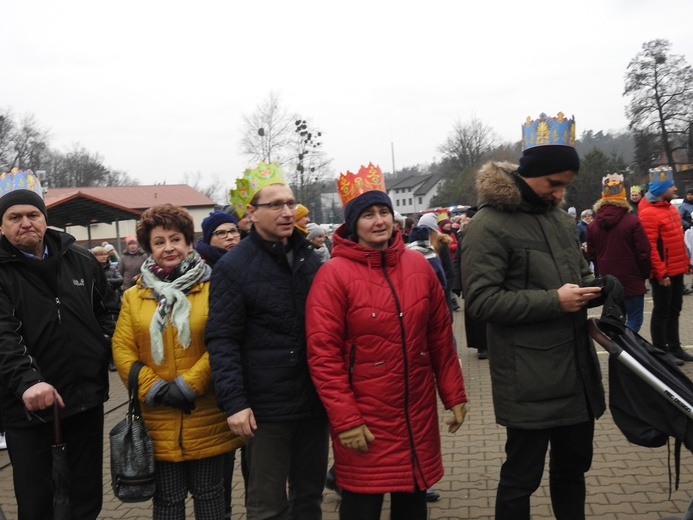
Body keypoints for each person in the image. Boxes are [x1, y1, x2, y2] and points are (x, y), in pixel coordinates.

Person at [461, 113, 606, 520]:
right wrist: (553, 302)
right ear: (529, 176)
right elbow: (481, 302)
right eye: (553, 184)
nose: (560, 194)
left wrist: (599, 289)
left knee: (572, 471)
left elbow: (577, 279)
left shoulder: (560, 222)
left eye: (566, 186)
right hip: (528, 379)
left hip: (575, 373)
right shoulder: (487, 226)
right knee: (521, 479)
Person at [306, 163, 467, 520]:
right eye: (367, 215)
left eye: (384, 212)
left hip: (417, 414)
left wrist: (453, 394)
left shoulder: (417, 266)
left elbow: (440, 336)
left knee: (412, 505)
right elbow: (323, 356)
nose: (378, 221)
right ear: (352, 224)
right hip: (366, 419)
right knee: (362, 506)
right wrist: (346, 419)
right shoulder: (333, 274)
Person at [206, 162, 328, 520]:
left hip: (313, 401)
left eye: (290, 203)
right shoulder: (234, 266)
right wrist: (235, 403)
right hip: (266, 410)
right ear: (251, 213)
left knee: (309, 498)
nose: (287, 211)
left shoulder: (310, 258)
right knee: (267, 505)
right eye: (275, 204)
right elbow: (222, 338)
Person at [0, 169, 119, 520]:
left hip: (85, 399)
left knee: (85, 498)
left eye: (33, 215)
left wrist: (102, 347)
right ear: (2, 226)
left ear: (44, 219)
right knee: (37, 501)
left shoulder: (80, 259)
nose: (26, 223)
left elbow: (109, 310)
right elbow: (3, 334)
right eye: (14, 217)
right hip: (29, 408)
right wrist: (29, 382)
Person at [112, 203, 242, 520]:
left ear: (188, 242)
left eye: (175, 239)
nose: (168, 248)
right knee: (168, 501)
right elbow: (122, 348)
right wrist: (153, 386)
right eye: (159, 242)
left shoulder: (214, 286)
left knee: (211, 498)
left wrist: (188, 385)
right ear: (149, 248)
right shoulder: (134, 295)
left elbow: (225, 341)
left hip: (207, 411)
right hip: (157, 416)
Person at [193, 209, 244, 519]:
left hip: (247, 375)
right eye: (222, 233)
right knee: (219, 467)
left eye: (234, 231)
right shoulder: (200, 271)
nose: (230, 237)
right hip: (213, 378)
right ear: (208, 239)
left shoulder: (246, 264)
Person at [638, 166, 693, 363]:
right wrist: (660, 272)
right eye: (671, 186)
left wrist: (686, 262)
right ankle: (661, 350)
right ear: (661, 189)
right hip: (663, 272)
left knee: (675, 308)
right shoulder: (648, 214)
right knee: (662, 310)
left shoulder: (670, 208)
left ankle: (675, 346)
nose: (675, 189)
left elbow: (678, 240)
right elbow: (650, 247)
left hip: (677, 269)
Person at [586, 174, 651, 333]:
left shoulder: (593, 226)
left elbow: (591, 255)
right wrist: (644, 274)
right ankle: (626, 351)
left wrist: (599, 275)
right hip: (632, 276)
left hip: (609, 278)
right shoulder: (632, 221)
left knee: (617, 319)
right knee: (635, 319)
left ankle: (617, 351)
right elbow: (643, 251)